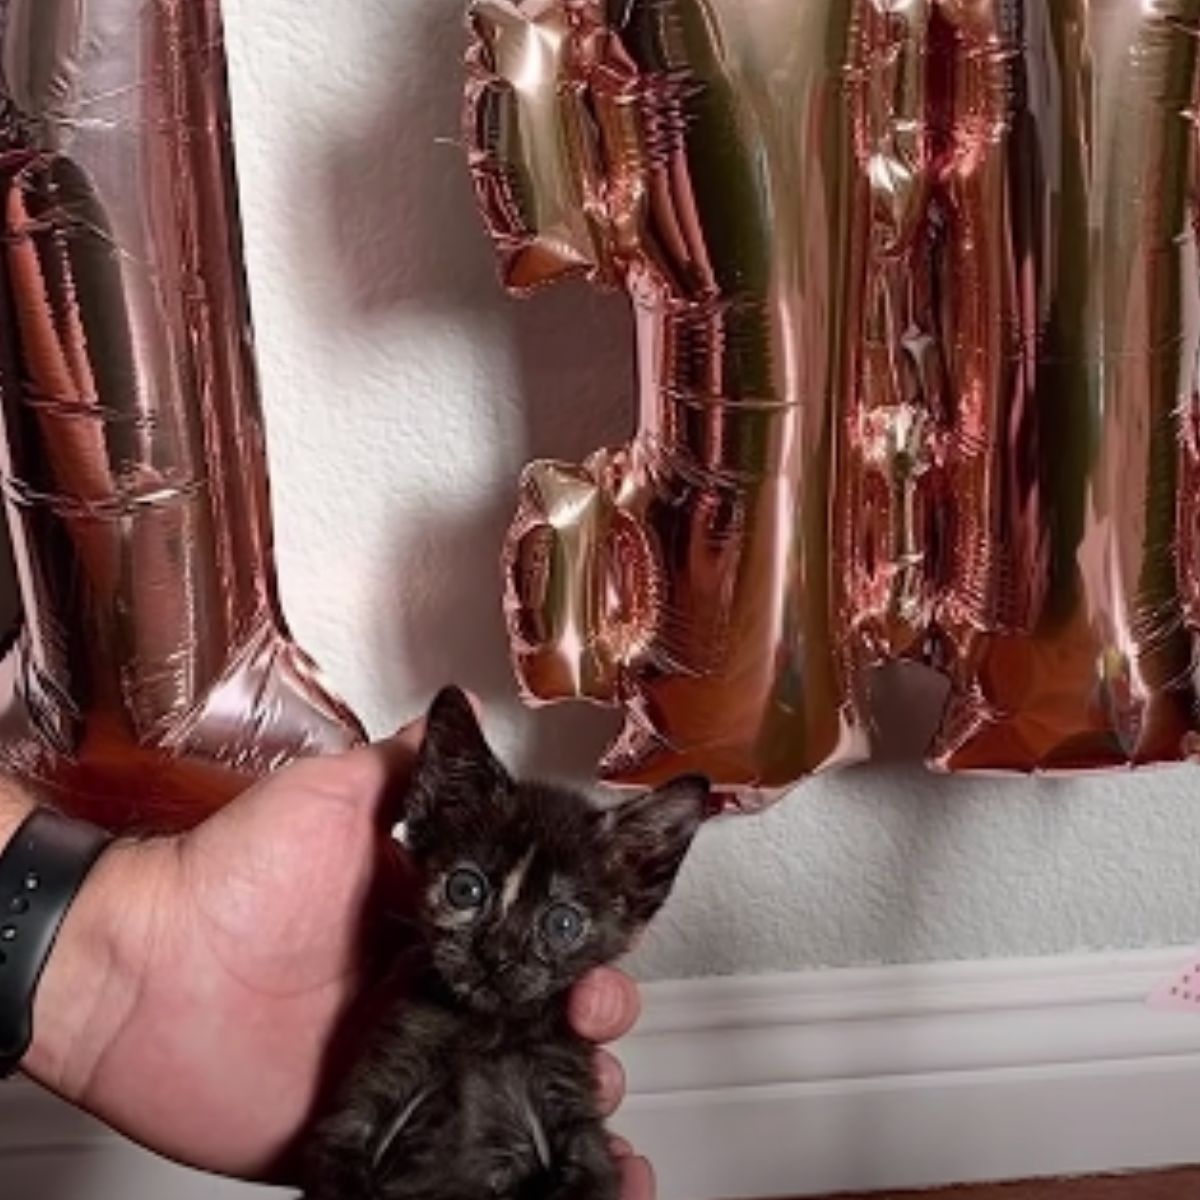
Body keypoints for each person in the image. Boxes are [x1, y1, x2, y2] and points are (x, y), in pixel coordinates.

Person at [0, 709, 653, 1199]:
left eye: (560, 924)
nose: (502, 949)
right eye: (467, 890)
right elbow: (340, 1149)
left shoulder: (551, 1041)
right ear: (433, 819)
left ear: (630, 906)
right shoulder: (407, 1023)